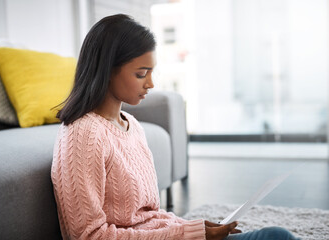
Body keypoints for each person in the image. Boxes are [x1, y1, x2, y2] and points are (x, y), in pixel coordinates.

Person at [51, 14, 300, 240]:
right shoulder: (83, 134)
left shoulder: (132, 126)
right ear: (106, 71)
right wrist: (184, 234)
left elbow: (147, 217)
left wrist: (193, 229)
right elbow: (87, 235)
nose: (150, 83)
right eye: (141, 74)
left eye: (151, 72)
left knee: (275, 235)